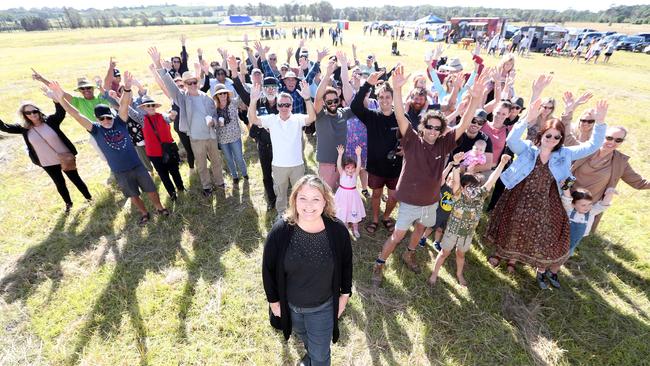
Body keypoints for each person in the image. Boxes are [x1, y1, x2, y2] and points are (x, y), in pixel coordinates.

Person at [371, 65, 487, 286]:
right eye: (430, 127)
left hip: (430, 203)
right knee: (397, 236)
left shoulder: (444, 145)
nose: (433, 131)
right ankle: (379, 264)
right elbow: (399, 115)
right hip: (409, 201)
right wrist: (396, 90)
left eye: (437, 128)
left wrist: (475, 99)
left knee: (421, 230)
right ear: (422, 127)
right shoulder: (412, 140)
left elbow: (463, 124)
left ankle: (410, 253)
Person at [484, 98, 608, 289]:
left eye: (557, 137)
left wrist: (600, 123)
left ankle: (514, 260)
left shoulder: (565, 154)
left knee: (532, 227)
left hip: (546, 199)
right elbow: (512, 140)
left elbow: (591, 146)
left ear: (561, 139)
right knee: (512, 221)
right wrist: (527, 119)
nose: (552, 140)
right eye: (548, 135)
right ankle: (500, 254)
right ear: (541, 135)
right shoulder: (527, 148)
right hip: (519, 193)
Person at [48, 74, 169, 226]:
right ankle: (144, 213)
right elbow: (77, 115)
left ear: (112, 116)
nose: (106, 121)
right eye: (102, 119)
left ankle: (159, 207)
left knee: (151, 189)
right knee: (133, 194)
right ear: (97, 120)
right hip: (120, 170)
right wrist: (61, 100)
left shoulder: (120, 122)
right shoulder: (96, 129)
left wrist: (126, 88)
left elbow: (124, 105)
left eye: (108, 117)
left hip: (137, 165)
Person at [262, 175, 352, 366]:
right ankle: (310, 355)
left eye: (315, 199)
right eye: (303, 198)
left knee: (320, 357)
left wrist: (345, 296)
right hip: (291, 307)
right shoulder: (281, 230)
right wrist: (274, 302)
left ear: (325, 201)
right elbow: (268, 268)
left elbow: (346, 264)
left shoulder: (337, 231)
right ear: (294, 199)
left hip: (323, 308)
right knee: (307, 340)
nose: (309, 205)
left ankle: (314, 358)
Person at [149, 46, 225, 197]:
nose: (192, 85)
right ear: (184, 85)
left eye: (194, 82)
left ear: (197, 82)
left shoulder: (206, 98)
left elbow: (214, 115)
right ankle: (207, 186)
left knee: (216, 162)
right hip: (196, 139)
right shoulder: (182, 98)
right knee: (202, 165)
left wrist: (215, 122)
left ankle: (220, 182)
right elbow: (170, 86)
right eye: (188, 83)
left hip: (210, 136)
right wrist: (158, 65)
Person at [429, 152, 511, 286]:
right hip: (451, 232)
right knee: (444, 253)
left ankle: (459, 274)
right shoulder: (457, 196)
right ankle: (434, 274)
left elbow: (492, 180)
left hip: (467, 235)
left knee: (460, 255)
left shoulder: (480, 197)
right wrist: (455, 164)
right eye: (468, 187)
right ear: (462, 188)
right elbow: (456, 180)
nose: (472, 190)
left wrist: (502, 163)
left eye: (475, 187)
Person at [0, 95, 92, 212]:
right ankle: (68, 204)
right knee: (59, 183)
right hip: (46, 162)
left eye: (34, 111)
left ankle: (89, 198)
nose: (32, 114)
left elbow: (60, 113)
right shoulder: (23, 128)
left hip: (65, 157)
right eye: (28, 113)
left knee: (75, 179)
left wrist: (55, 100)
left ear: (39, 111)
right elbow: (4, 127)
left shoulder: (51, 121)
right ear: (24, 115)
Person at [247, 82, 316, 215]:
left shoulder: (298, 119)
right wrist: (253, 100)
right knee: (281, 193)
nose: (284, 108)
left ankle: (298, 213)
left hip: (297, 165)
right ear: (277, 106)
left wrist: (307, 99)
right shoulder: (271, 119)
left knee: (299, 193)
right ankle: (281, 214)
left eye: (287, 105)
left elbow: (312, 117)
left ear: (292, 106)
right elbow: (253, 119)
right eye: (281, 105)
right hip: (279, 166)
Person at [350, 73, 402, 234]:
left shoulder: (401, 117)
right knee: (376, 194)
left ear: (392, 98)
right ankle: (375, 219)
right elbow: (355, 106)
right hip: (376, 166)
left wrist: (406, 149)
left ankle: (386, 217)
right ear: (377, 99)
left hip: (395, 167)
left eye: (387, 97)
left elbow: (412, 137)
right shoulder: (371, 116)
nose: (384, 100)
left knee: (393, 196)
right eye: (381, 97)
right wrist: (367, 85)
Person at [571, 126, 650, 233]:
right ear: (602, 136)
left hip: (587, 207)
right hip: (566, 200)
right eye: (609, 138)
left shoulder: (620, 162)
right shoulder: (586, 149)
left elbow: (639, 183)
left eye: (618, 140)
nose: (612, 142)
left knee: (572, 240)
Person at [314, 56, 355, 190]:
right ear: (325, 103)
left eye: (335, 101)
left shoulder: (344, 112)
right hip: (326, 164)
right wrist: (327, 75)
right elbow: (317, 98)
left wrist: (344, 67)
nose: (333, 104)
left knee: (341, 194)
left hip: (342, 163)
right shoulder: (321, 115)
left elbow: (352, 100)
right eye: (329, 102)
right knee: (326, 195)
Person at [138, 95, 185, 201]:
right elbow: (129, 111)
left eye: (152, 105)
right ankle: (172, 194)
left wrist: (173, 116)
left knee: (174, 170)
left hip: (168, 150)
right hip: (154, 154)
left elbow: (169, 119)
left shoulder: (161, 116)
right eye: (148, 106)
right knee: (163, 175)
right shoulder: (142, 119)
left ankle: (181, 188)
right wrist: (118, 98)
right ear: (144, 108)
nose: (151, 107)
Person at [561, 187, 616, 256]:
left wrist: (609, 194)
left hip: (576, 238)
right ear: (573, 204)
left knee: (568, 252)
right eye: (583, 205)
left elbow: (603, 205)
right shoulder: (570, 209)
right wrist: (566, 187)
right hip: (562, 236)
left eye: (590, 204)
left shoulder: (591, 212)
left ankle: (561, 261)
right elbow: (567, 199)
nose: (587, 207)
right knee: (558, 251)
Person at [212, 84, 248, 184]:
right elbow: (212, 121)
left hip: (235, 136)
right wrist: (216, 123)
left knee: (239, 158)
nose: (223, 95)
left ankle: (245, 174)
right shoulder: (214, 108)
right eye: (220, 94)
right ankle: (235, 176)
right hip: (222, 139)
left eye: (224, 93)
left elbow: (243, 98)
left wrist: (241, 82)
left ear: (227, 94)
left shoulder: (233, 102)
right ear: (217, 96)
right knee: (228, 159)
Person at [334, 145, 365, 238]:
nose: (350, 170)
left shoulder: (355, 174)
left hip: (352, 196)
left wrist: (358, 155)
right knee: (344, 212)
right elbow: (339, 164)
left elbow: (359, 165)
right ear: (344, 168)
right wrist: (340, 154)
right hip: (342, 196)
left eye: (352, 168)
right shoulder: (342, 173)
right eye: (348, 168)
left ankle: (355, 229)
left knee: (353, 211)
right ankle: (345, 229)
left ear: (355, 169)